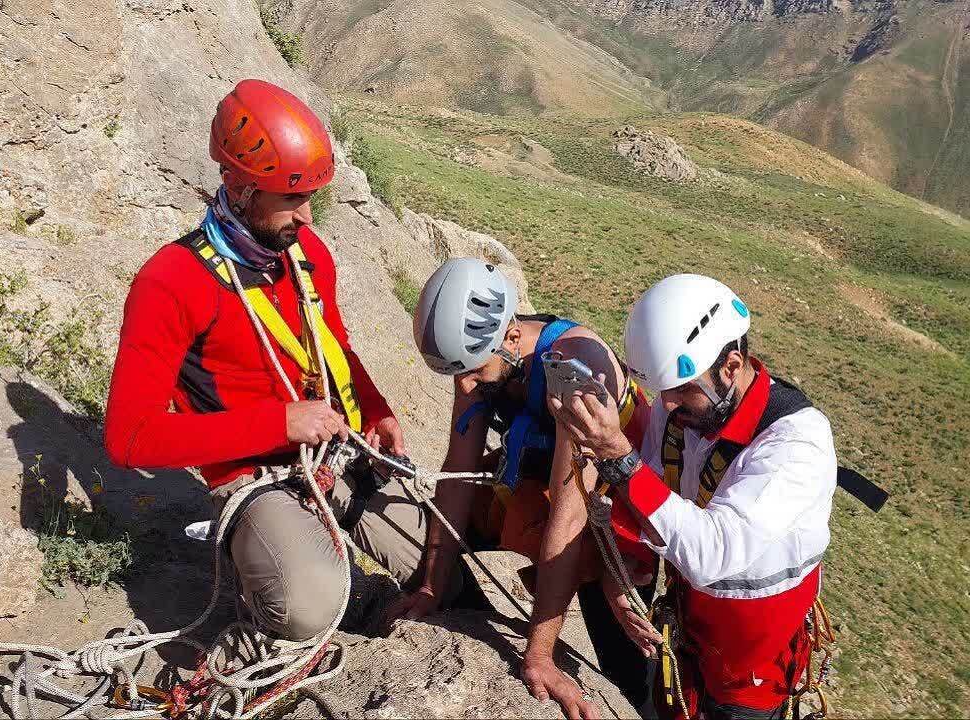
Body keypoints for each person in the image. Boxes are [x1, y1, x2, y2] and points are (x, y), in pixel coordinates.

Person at [103, 79, 426, 641]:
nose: (306, 217)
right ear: (241, 186)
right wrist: (278, 423)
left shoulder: (306, 255)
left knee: (437, 565)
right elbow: (129, 438)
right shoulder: (172, 283)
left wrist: (375, 411)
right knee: (306, 605)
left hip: (331, 451)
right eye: (290, 199)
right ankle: (258, 582)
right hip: (253, 475)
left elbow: (335, 350)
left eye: (309, 198)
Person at [549, 274, 840, 720]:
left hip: (752, 669)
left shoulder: (796, 444)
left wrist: (619, 459)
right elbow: (651, 493)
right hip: (693, 630)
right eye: (662, 390)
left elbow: (713, 552)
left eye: (682, 389)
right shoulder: (684, 411)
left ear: (731, 366)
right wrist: (630, 567)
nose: (665, 405)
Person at [389, 258, 655, 719]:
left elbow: (570, 518)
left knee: (623, 637)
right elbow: (458, 472)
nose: (466, 385)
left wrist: (539, 656)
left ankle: (640, 701)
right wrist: (433, 585)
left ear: (512, 337)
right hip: (540, 481)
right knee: (435, 527)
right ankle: (460, 596)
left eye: (474, 371)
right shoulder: (481, 355)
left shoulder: (577, 377)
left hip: (618, 512)